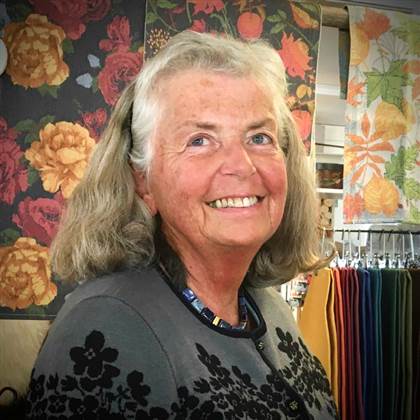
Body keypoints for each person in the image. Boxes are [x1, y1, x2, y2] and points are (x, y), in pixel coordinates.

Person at [26, 31, 337, 419]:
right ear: (143, 180)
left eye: (259, 137)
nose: (242, 165)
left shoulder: (268, 307)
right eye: (200, 140)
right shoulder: (103, 327)